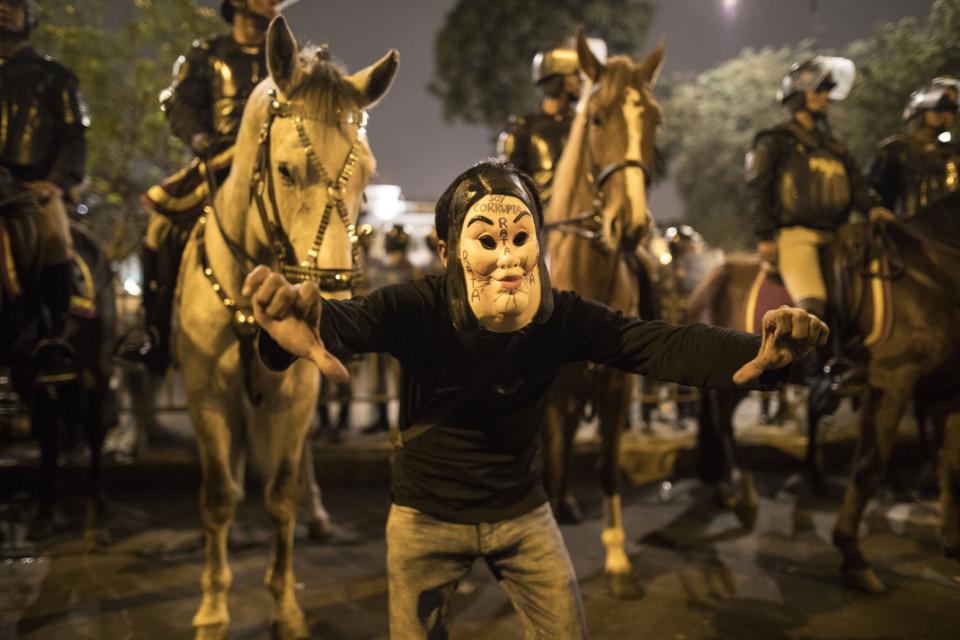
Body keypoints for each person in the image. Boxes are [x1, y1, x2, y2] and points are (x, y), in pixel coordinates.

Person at [243, 160, 828, 638]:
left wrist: (755, 352)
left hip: (522, 514)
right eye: (488, 240)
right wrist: (284, 334)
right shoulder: (415, 308)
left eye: (521, 238)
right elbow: (343, 322)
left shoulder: (560, 316)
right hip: (425, 519)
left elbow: (650, 343)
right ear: (448, 254)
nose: (507, 259)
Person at [119, 0, 280, 371]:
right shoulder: (206, 54)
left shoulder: (286, 57)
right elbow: (179, 104)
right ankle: (155, 333)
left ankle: (334, 322)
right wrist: (198, 136)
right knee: (159, 229)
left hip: (274, 166)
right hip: (218, 161)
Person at [746, 56, 891, 323]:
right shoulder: (775, 141)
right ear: (797, 95)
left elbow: (857, 185)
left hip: (840, 236)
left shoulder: (835, 146)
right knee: (813, 309)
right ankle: (811, 364)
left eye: (827, 90)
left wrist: (873, 209)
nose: (825, 96)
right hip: (798, 238)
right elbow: (759, 188)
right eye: (818, 90)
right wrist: (765, 236)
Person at [0, 0, 89, 371]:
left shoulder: (55, 76)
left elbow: (74, 138)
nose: (3, 9)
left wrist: (54, 183)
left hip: (30, 189)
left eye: (13, 4)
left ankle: (53, 336)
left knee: (55, 236)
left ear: (28, 15)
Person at [497, 39, 605, 205]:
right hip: (539, 224)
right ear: (558, 78)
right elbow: (507, 185)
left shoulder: (583, 126)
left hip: (584, 221)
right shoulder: (522, 128)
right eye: (575, 74)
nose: (581, 80)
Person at [869, 77, 960, 218]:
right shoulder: (896, 149)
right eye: (940, 108)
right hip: (908, 233)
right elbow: (877, 196)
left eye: (951, 109)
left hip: (948, 236)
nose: (946, 114)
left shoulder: (954, 154)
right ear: (922, 110)